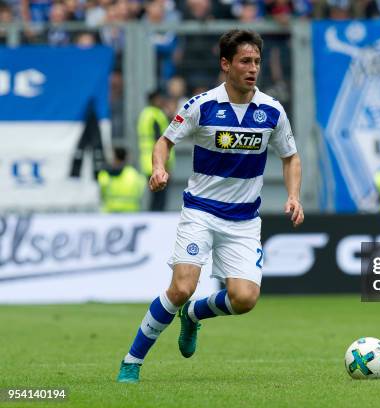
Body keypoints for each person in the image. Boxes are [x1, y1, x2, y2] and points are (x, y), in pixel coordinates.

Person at [117, 29, 304, 383]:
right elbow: (164, 141)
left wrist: (293, 196)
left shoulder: (272, 111)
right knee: (182, 286)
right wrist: (159, 167)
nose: (252, 69)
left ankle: (194, 316)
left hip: (244, 220)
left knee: (244, 298)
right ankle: (132, 360)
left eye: (257, 62)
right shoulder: (201, 106)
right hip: (201, 212)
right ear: (225, 64)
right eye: (245, 61)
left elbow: (291, 157)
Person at [137, 89, 174, 211]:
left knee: (155, 197)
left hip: (149, 162)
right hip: (157, 163)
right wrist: (164, 164)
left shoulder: (145, 114)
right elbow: (160, 142)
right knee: (159, 198)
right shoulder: (155, 115)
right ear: (153, 100)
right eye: (159, 99)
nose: (161, 101)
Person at [97, 147, 146, 212]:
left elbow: (101, 191)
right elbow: (141, 189)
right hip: (131, 213)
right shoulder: (134, 175)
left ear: (114, 158)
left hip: (110, 213)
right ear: (126, 158)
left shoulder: (105, 175)